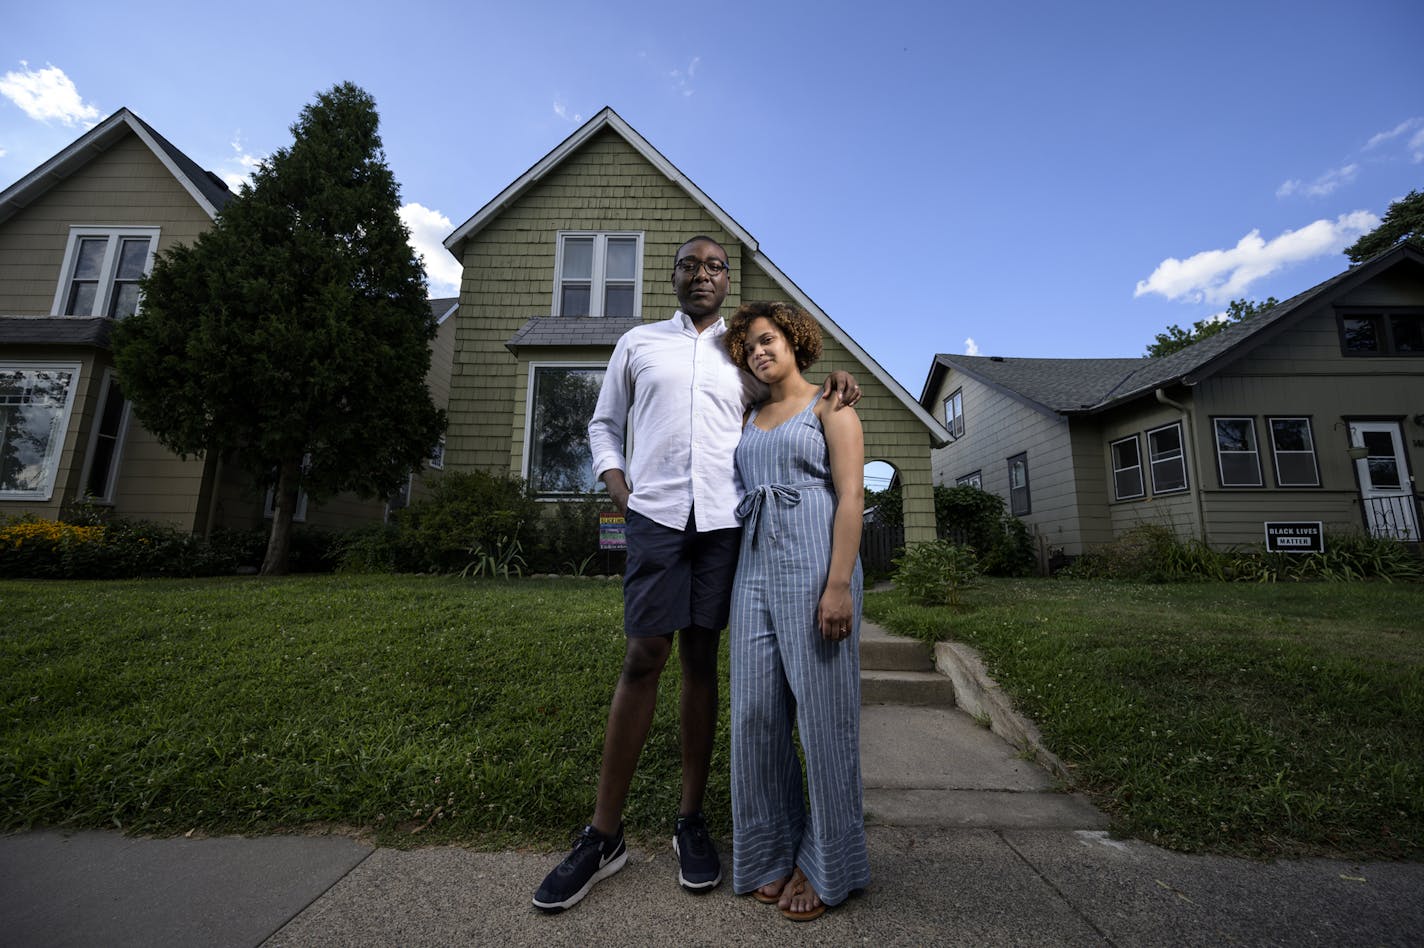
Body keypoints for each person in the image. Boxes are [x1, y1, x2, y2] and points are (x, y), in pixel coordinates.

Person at [532, 236, 861, 913]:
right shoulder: (639, 343)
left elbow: (786, 399)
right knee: (644, 656)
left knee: (704, 663)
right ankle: (602, 834)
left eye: (716, 266)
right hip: (655, 519)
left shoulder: (740, 356)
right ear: (674, 276)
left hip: (723, 526)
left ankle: (691, 822)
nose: (703, 274)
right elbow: (604, 425)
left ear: (727, 279)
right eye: (690, 265)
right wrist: (621, 488)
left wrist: (837, 384)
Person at [722, 300, 870, 922]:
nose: (759, 350)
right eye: (750, 346)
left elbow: (852, 495)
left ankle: (828, 860)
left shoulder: (832, 405)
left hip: (816, 569)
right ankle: (772, 848)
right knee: (755, 713)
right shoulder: (748, 415)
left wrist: (838, 586)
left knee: (823, 717)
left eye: (768, 339)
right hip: (752, 571)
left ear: (794, 340)